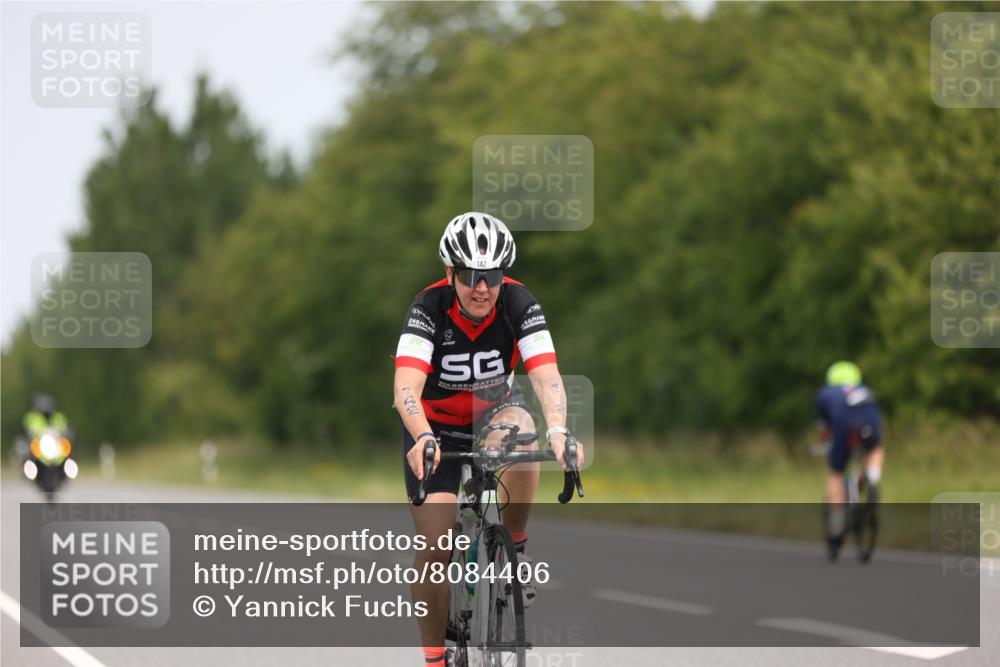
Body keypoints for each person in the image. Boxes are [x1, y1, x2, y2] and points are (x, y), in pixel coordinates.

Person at [393, 212, 582, 667]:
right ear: (450, 273)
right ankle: (435, 658)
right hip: (432, 425)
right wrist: (422, 436)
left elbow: (547, 376)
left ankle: (514, 543)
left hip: (493, 414)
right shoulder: (428, 309)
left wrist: (559, 428)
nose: (482, 287)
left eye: (492, 275)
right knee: (436, 545)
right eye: (470, 276)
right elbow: (405, 388)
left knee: (527, 430)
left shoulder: (519, 303)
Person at [815, 361, 884, 557]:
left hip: (842, 425)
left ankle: (836, 528)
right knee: (876, 449)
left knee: (835, 474)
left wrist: (832, 443)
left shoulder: (826, 394)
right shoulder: (865, 390)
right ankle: (873, 477)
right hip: (870, 423)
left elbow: (824, 429)